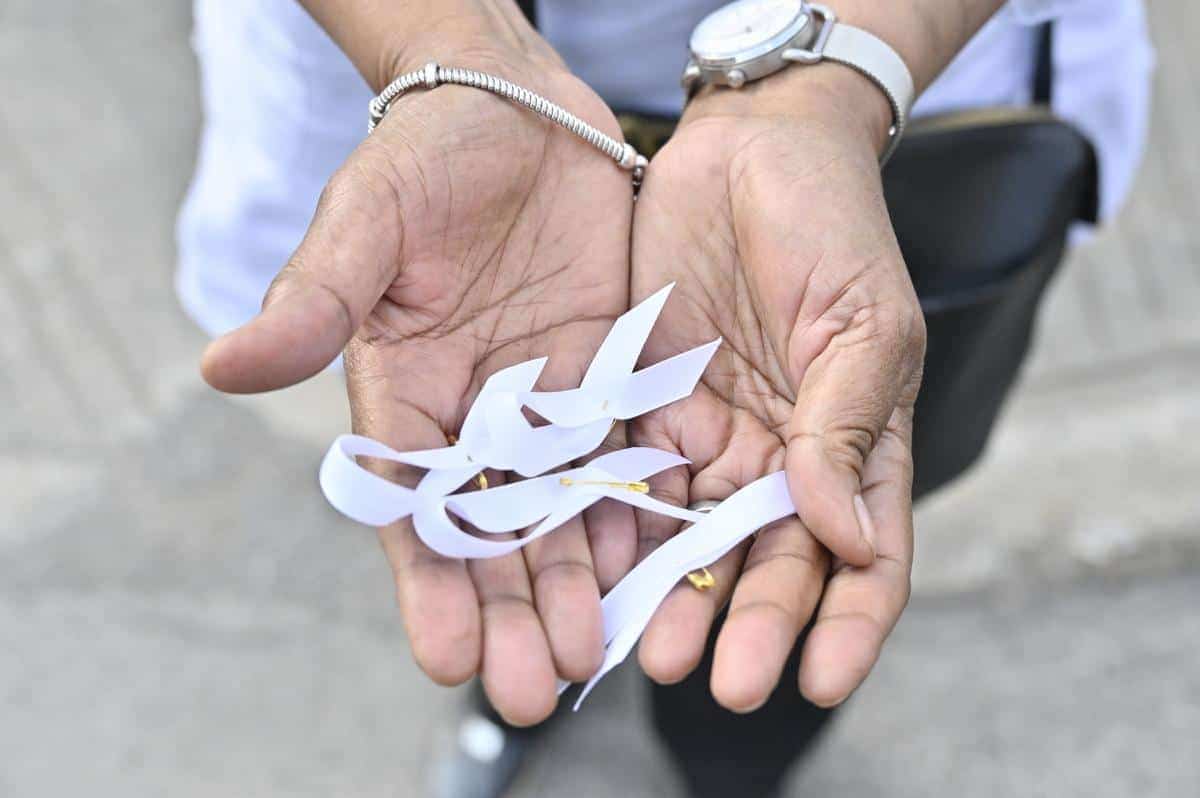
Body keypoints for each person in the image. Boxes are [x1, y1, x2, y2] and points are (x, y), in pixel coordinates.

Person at [179, 1, 1152, 796]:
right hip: (434, 89)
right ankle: (522, 697)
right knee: (510, 562)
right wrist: (445, 40)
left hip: (883, 97)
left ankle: (734, 767)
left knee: (805, 520)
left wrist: (839, 76)